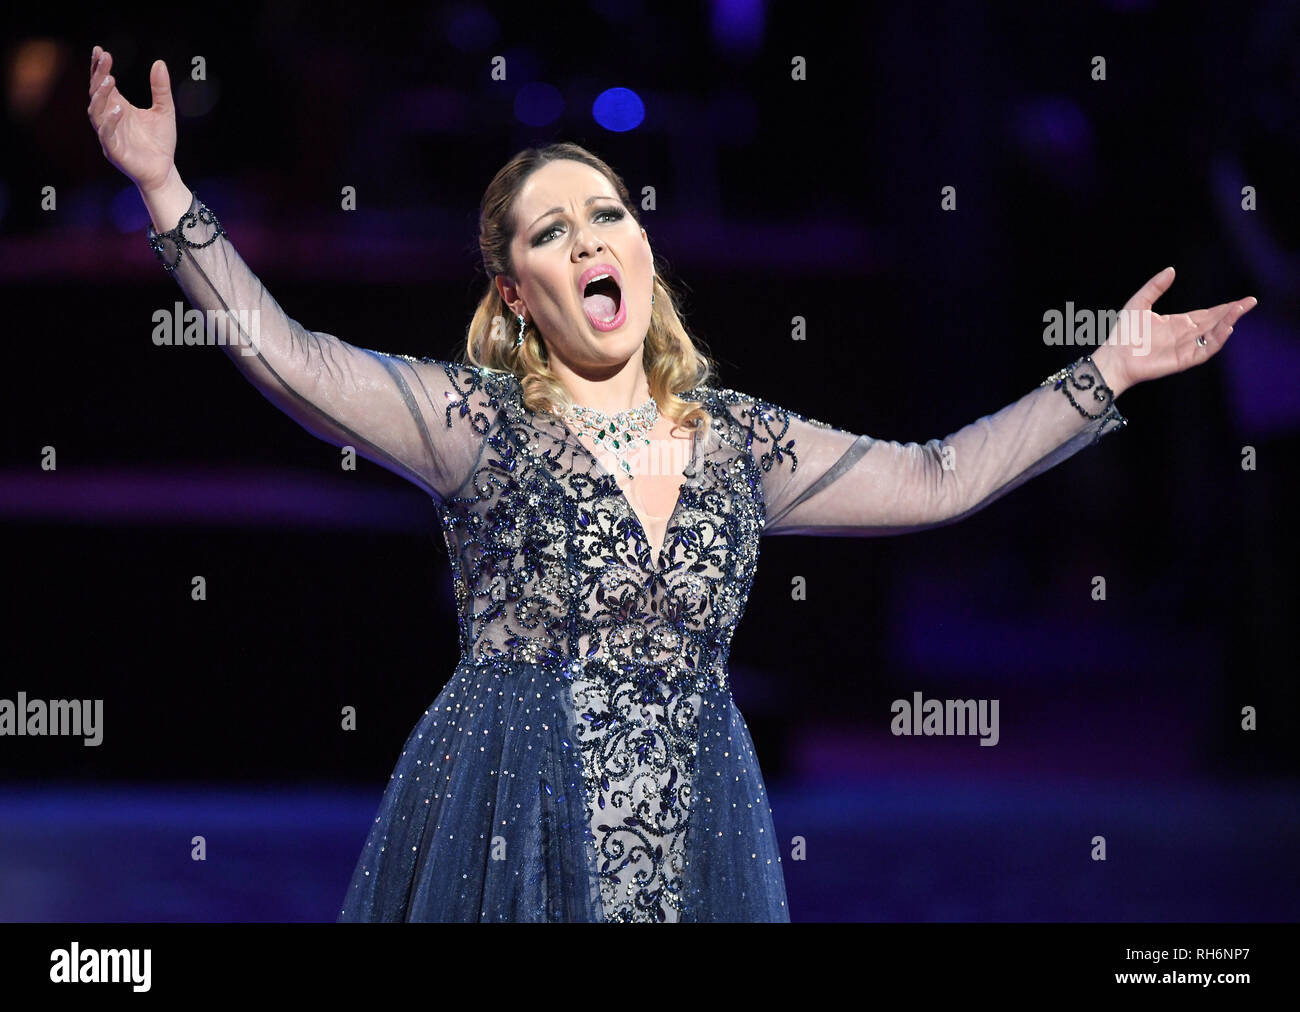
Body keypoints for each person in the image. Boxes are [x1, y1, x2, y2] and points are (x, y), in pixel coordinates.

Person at [87, 46, 1258, 922]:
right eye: (552, 233)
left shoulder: (739, 443)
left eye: (607, 213)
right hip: (508, 816)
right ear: (512, 293)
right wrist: (163, 190)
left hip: (697, 824)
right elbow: (284, 355)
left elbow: (942, 477)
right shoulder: (473, 425)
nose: (592, 240)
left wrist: (1109, 367)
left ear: (643, 247)